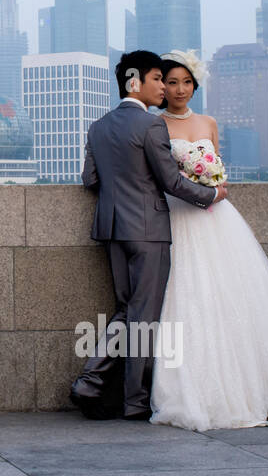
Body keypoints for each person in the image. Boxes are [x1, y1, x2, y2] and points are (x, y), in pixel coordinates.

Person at [148, 49, 268, 430]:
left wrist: (214, 185)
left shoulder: (209, 122)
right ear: (161, 86)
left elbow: (218, 168)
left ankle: (251, 389)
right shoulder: (154, 125)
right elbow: (163, 178)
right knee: (189, 297)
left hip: (218, 217)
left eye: (187, 82)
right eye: (172, 82)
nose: (180, 90)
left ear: (196, 85)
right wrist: (200, 191)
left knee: (234, 297)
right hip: (180, 216)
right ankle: (195, 392)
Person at [70, 50, 227, 420]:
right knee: (143, 317)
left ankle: (92, 382)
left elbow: (90, 179)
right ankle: (132, 401)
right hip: (149, 231)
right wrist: (212, 194)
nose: (163, 87)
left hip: (112, 229)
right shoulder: (151, 126)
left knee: (127, 310)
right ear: (134, 82)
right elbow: (170, 181)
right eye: (158, 79)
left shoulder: (98, 126)